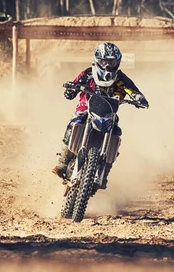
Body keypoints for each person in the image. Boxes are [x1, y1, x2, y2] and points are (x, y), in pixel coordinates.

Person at [52, 42, 149, 181]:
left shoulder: (121, 78)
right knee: (74, 123)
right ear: (98, 60)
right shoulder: (88, 73)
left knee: (116, 131)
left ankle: (105, 171)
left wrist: (140, 98)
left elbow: (133, 91)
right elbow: (73, 88)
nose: (107, 66)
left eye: (111, 62)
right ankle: (62, 163)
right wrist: (71, 89)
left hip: (109, 113)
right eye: (104, 62)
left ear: (118, 61)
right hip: (86, 109)